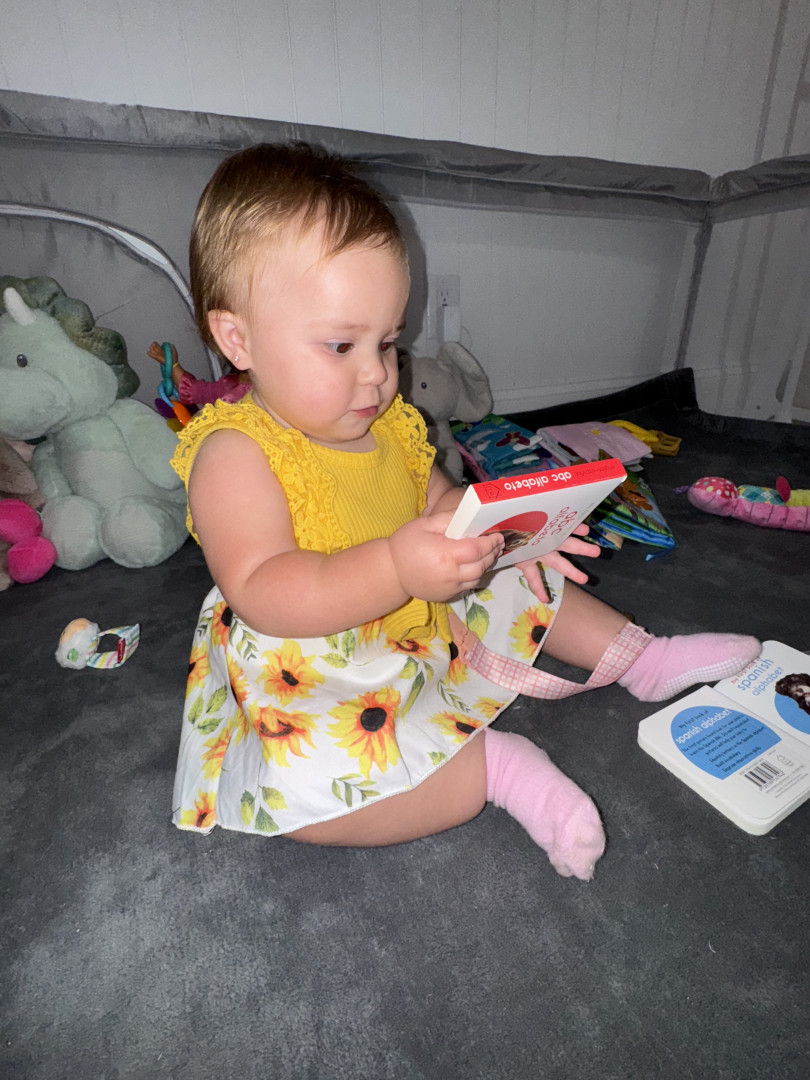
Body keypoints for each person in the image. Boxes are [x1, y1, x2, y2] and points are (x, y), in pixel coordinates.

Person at [170, 142, 760, 881]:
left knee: (516, 572)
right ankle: (497, 771)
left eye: (388, 342)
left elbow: (442, 502)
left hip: (419, 605)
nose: (377, 374)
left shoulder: (390, 423)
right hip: (309, 663)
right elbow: (263, 589)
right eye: (342, 345)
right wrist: (395, 567)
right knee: (299, 798)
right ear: (238, 339)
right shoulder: (233, 453)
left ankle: (643, 659)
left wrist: (512, 532)